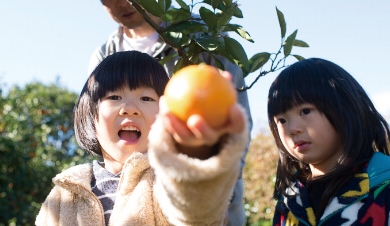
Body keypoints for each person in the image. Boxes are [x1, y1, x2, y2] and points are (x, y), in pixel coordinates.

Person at [36, 51, 250, 225]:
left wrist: (197, 152)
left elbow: (198, 212)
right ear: (91, 115)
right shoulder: (64, 194)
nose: (130, 109)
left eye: (146, 98)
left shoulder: (166, 179)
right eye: (114, 97)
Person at [89, 1, 253, 225]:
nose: (123, 3)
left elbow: (236, 130)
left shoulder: (204, 35)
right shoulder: (104, 55)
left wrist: (214, 192)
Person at [268, 58, 390, 225]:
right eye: (281, 120)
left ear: (344, 107)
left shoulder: (383, 183)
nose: (293, 129)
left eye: (305, 111)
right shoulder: (289, 199)